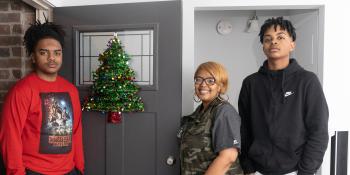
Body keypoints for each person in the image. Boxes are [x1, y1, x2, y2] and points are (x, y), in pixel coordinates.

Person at [238, 17, 328, 175]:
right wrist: (248, 167)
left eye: (280, 37)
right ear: (263, 46)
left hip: (295, 171)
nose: (273, 42)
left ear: (292, 44)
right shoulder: (250, 83)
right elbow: (244, 129)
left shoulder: (307, 81)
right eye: (268, 39)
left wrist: (306, 171)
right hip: (257, 170)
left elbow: (318, 131)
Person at [0, 20, 84, 175]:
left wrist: (79, 166)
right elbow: (10, 136)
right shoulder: (22, 91)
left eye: (57, 53)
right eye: (44, 52)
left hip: (69, 170)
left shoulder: (71, 90)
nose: (52, 58)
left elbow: (76, 130)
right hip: (34, 170)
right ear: (33, 57)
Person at [178, 61, 243, 175]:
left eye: (210, 81)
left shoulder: (224, 112)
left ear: (220, 86)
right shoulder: (197, 113)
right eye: (198, 79)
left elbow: (228, 157)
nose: (203, 84)